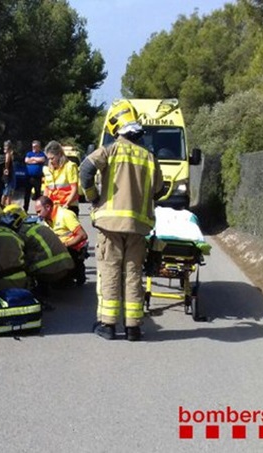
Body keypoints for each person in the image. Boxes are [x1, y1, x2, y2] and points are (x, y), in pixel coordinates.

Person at [79, 99, 164, 341]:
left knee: (110, 271)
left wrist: (94, 197)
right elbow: (159, 188)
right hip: (138, 227)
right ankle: (133, 328)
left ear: (117, 128)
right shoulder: (150, 157)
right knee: (133, 273)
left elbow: (85, 170)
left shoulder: (110, 150)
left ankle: (107, 325)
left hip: (110, 225)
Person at [2, 204, 74, 296]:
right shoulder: (37, 225)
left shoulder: (22, 232)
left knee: (20, 260)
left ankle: (39, 289)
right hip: (66, 265)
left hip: (51, 271)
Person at [35, 195, 89, 286]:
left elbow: (83, 235)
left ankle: (75, 271)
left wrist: (65, 245)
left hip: (73, 249)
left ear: (48, 207)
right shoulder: (47, 218)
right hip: (61, 248)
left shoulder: (65, 215)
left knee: (61, 284)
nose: (38, 215)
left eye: (39, 211)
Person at [43, 140, 80, 216]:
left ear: (59, 154)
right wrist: (43, 205)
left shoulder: (70, 166)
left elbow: (74, 189)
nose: (50, 161)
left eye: (52, 158)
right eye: (48, 158)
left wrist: (66, 204)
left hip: (69, 206)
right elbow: (47, 189)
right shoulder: (47, 169)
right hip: (53, 207)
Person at [23, 140, 46, 211]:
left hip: (37, 177)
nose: (34, 148)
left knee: (38, 195)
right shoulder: (29, 153)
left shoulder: (42, 154)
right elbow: (26, 160)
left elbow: (42, 160)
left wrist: (32, 159)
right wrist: (36, 161)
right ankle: (25, 209)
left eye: (35, 147)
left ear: (39, 147)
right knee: (27, 194)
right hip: (28, 177)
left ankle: (39, 210)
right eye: (33, 147)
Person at [1, 140, 16, 207]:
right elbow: (7, 162)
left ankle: (5, 206)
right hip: (8, 175)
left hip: (6, 174)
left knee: (7, 192)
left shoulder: (2, 153)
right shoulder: (8, 154)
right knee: (7, 192)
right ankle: (5, 206)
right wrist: (6, 168)